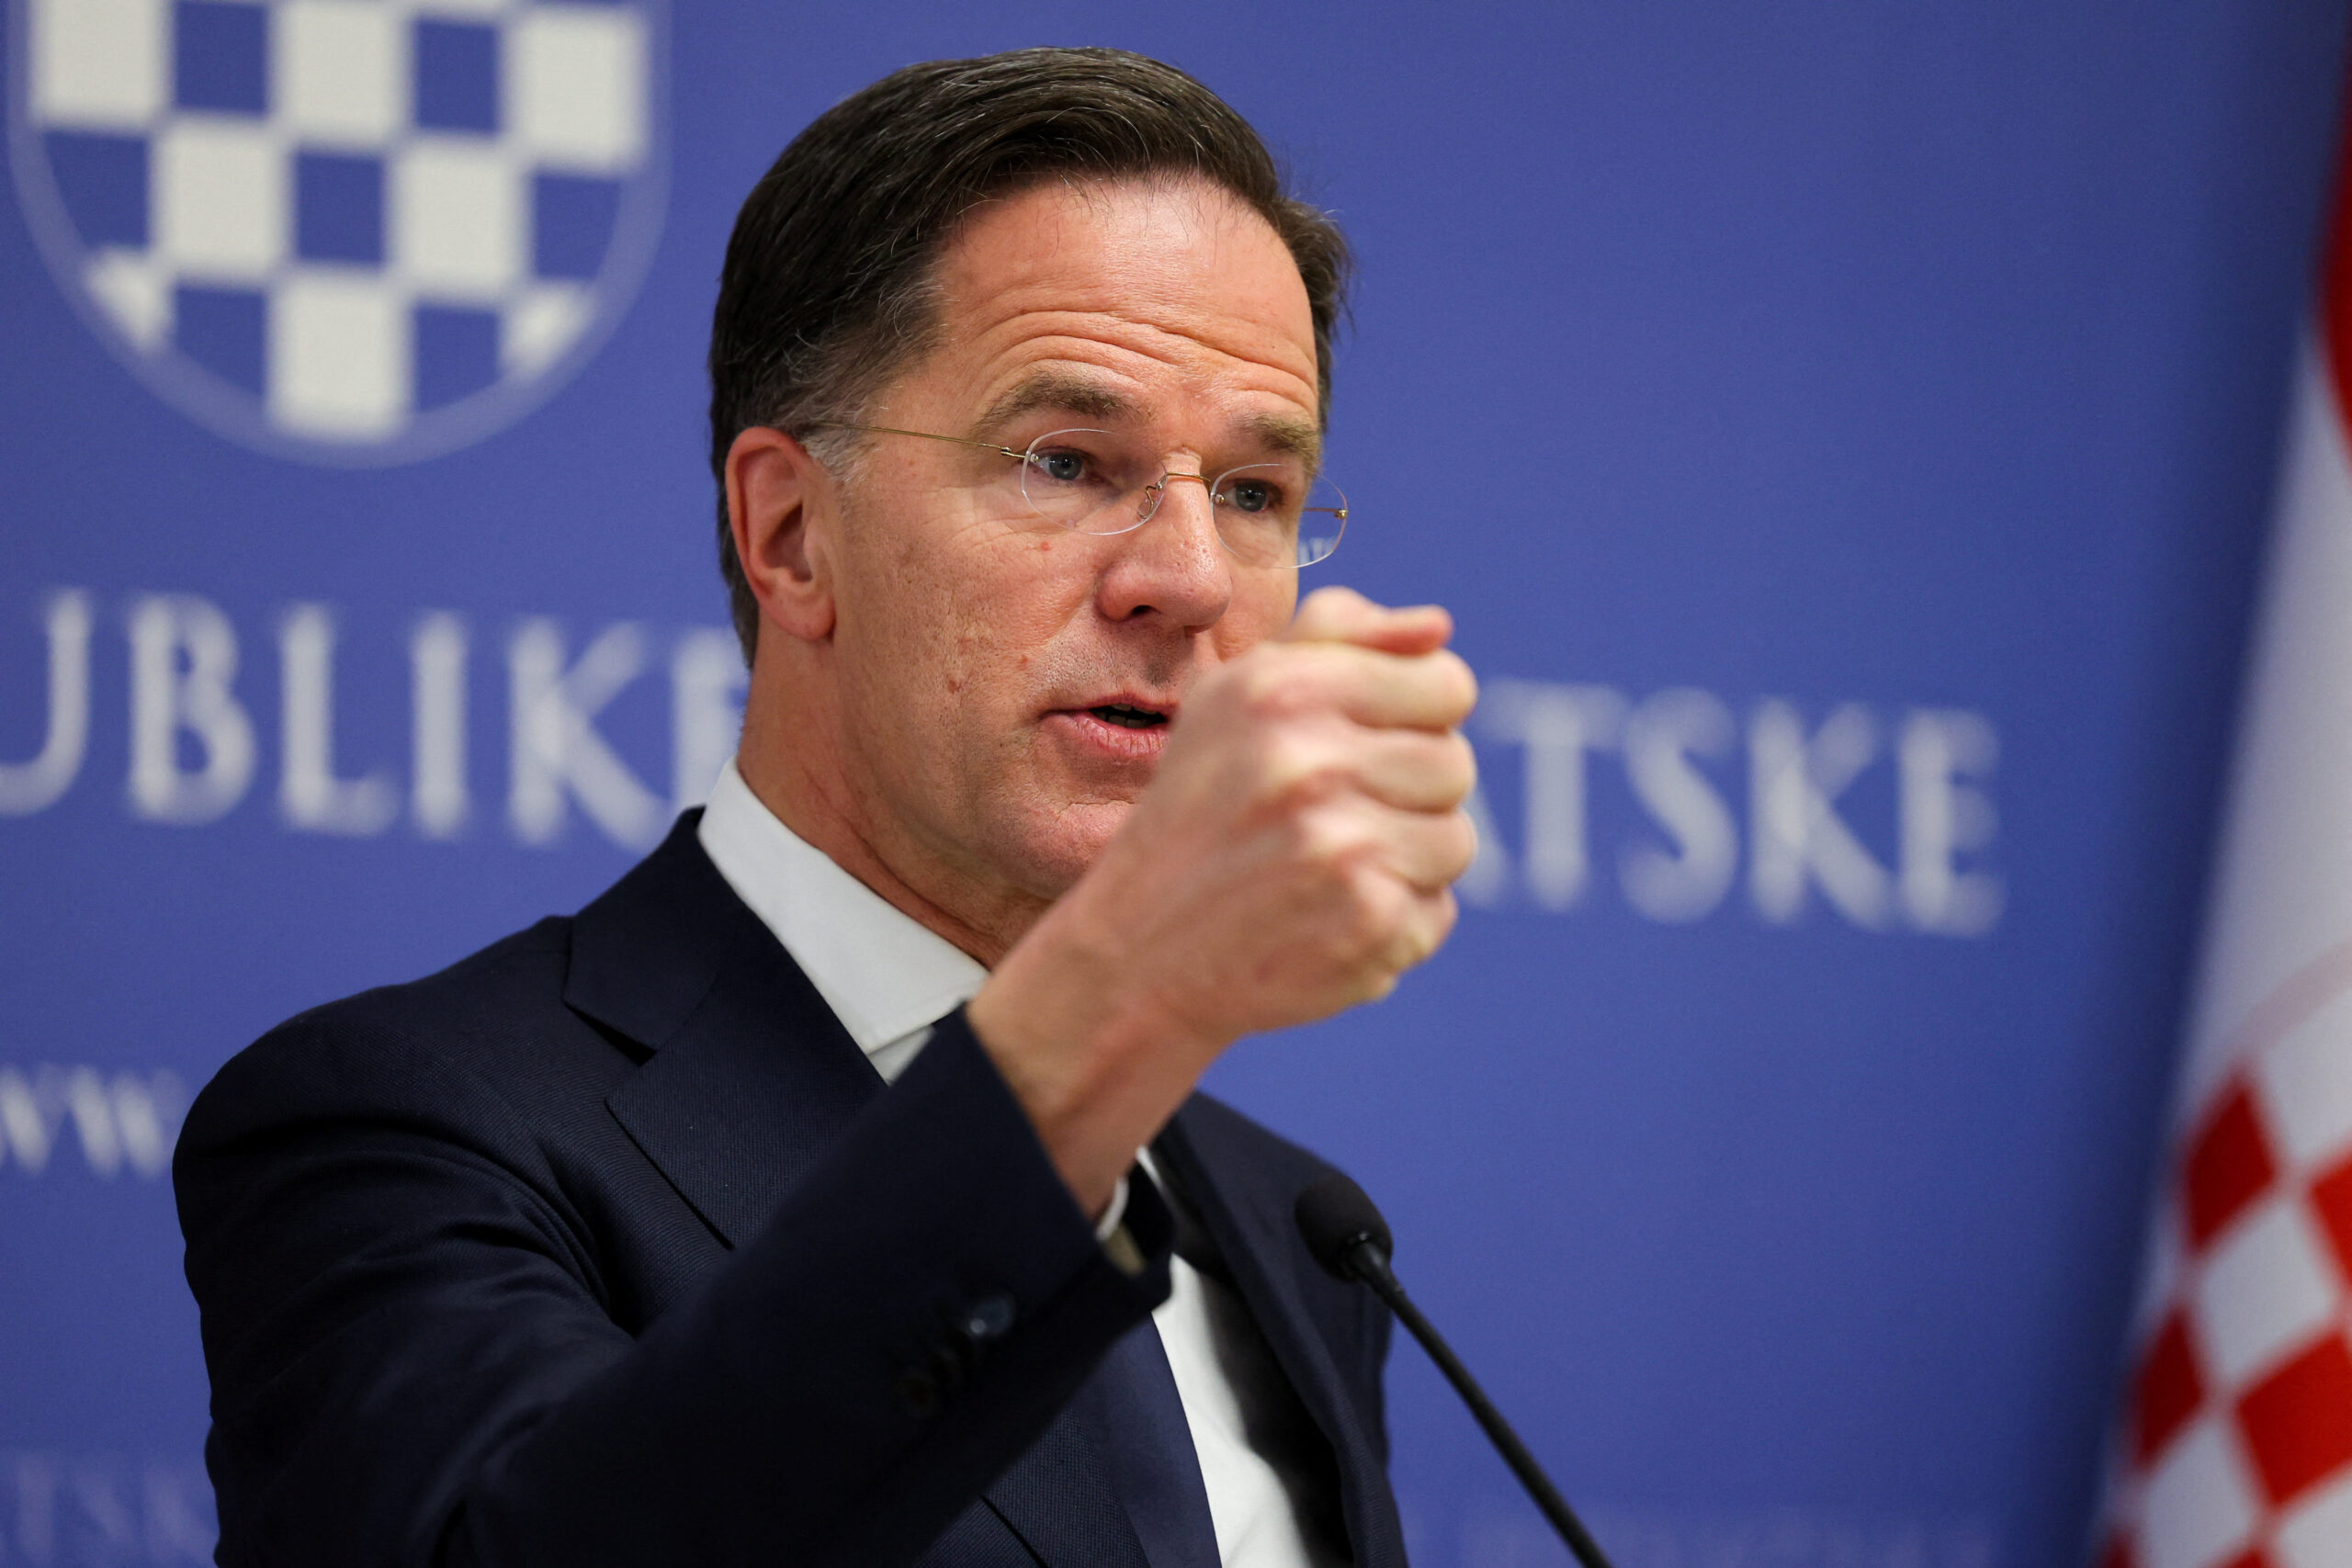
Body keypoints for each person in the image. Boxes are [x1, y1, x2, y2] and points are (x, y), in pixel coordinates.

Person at [175, 47, 1477, 1568]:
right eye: (1066, 461)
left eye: (1254, 493)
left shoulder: (1296, 1228)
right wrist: (1119, 1003)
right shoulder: (410, 1126)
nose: (1189, 578)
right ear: (791, 535)